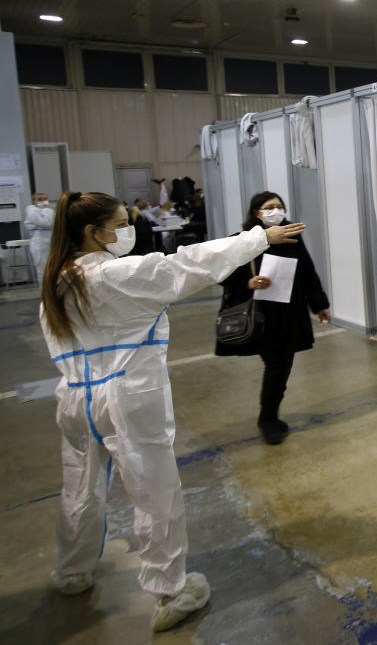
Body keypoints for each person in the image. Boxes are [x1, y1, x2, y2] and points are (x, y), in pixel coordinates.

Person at [39, 191, 306, 630]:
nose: (128, 230)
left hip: (74, 397)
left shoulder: (59, 278)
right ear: (92, 232)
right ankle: (171, 592)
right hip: (126, 397)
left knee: (80, 489)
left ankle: (71, 570)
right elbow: (186, 265)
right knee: (153, 491)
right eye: (121, 223)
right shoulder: (113, 275)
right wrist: (260, 238)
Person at [215, 192, 331, 445]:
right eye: (269, 207)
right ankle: (268, 419)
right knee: (276, 366)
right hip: (260, 314)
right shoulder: (242, 240)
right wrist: (248, 282)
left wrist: (319, 303)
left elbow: (307, 272)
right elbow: (221, 271)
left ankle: (269, 416)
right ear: (257, 213)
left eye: (279, 207)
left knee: (280, 366)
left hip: (288, 313)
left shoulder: (292, 237)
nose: (276, 211)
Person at [24, 192, 55, 279]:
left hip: (51, 242)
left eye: (45, 199)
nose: (43, 201)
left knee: (53, 269)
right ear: (34, 202)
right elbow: (46, 222)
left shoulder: (50, 211)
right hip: (39, 244)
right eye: (40, 199)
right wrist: (48, 210)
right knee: (43, 270)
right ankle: (45, 291)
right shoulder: (31, 211)